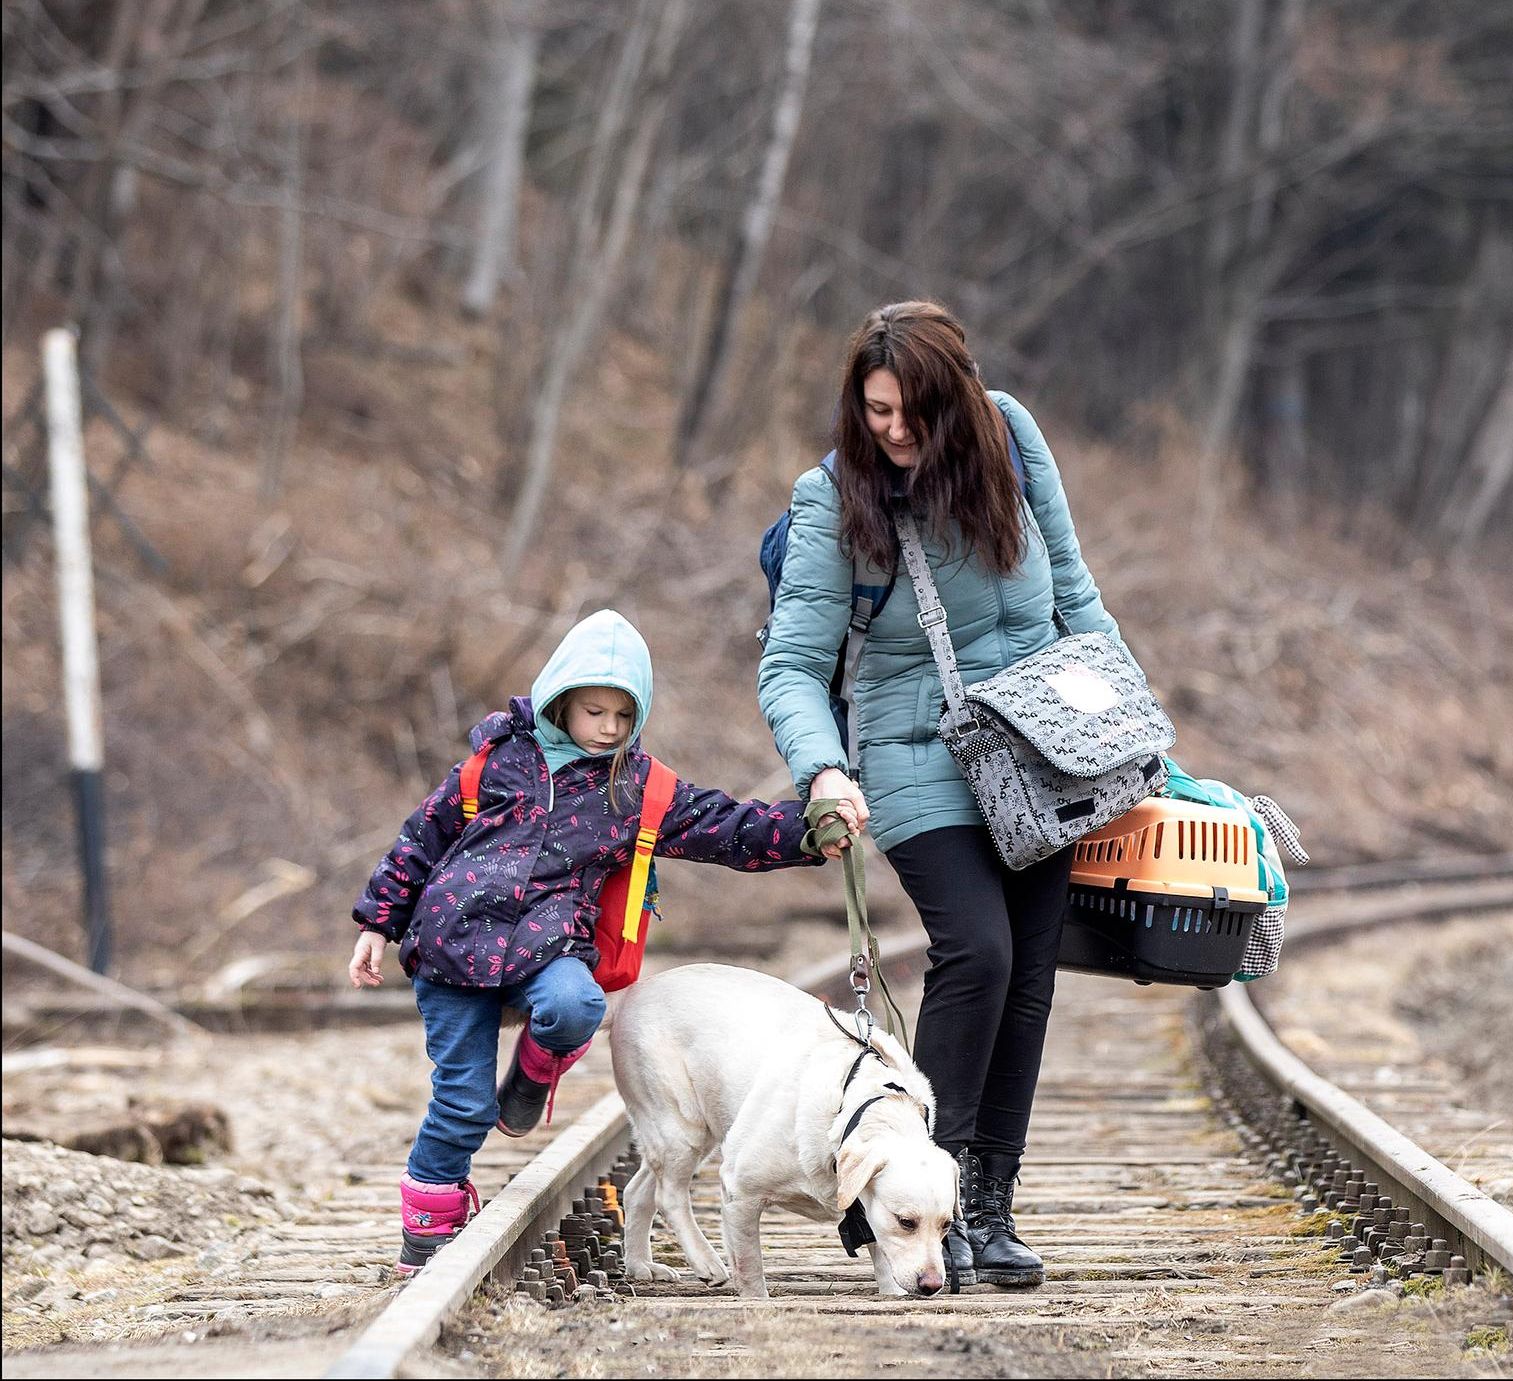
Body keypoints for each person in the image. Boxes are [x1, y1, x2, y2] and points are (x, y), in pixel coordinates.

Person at [758, 300, 1136, 1289]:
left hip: (1044, 745)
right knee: (979, 949)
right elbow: (792, 663)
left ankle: (991, 1210)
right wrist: (823, 768)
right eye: (875, 409)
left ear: (960, 401)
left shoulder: (1010, 437)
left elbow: (1075, 594)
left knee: (1031, 970)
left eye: (912, 413)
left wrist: (1137, 736)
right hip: (915, 749)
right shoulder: (833, 496)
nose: (891, 430)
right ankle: (934, 1195)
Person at [349, 609, 820, 1273]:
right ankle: (428, 1225)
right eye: (594, 710)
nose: (607, 727)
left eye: (623, 716)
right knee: (460, 1103)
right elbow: (421, 835)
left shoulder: (637, 788)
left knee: (577, 1006)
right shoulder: (496, 762)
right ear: (560, 701)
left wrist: (808, 831)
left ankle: (531, 1079)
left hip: (546, 948)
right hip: (452, 947)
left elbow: (727, 825)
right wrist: (377, 921)